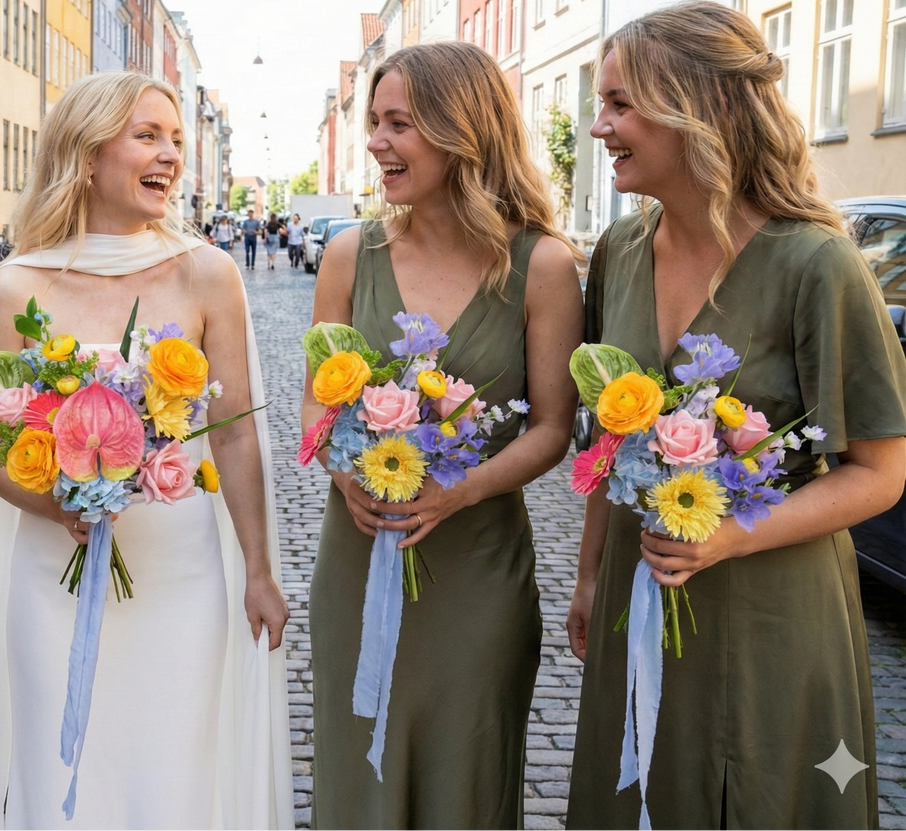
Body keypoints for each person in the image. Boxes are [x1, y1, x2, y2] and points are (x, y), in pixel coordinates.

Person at [0, 71, 293, 831]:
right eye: (147, 136)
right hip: (49, 580)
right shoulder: (12, 288)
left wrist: (257, 568)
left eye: (177, 141)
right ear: (87, 155)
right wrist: (58, 502)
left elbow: (234, 431)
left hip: (182, 576)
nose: (170, 156)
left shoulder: (208, 274)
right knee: (58, 771)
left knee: (170, 776)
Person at [565, 5, 906, 828]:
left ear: (696, 106)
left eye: (619, 105)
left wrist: (732, 533)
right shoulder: (617, 252)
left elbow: (881, 472)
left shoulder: (814, 262)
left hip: (770, 614)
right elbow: (612, 444)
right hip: (634, 593)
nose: (597, 126)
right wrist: (586, 574)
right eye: (599, 104)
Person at [303, 42, 582, 829]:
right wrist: (345, 471)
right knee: (356, 769)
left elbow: (554, 428)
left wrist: (459, 488)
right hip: (357, 557)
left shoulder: (543, 266)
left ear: (461, 131)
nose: (375, 142)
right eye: (373, 122)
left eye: (398, 124)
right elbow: (314, 411)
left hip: (476, 568)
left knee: (466, 771)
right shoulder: (348, 255)